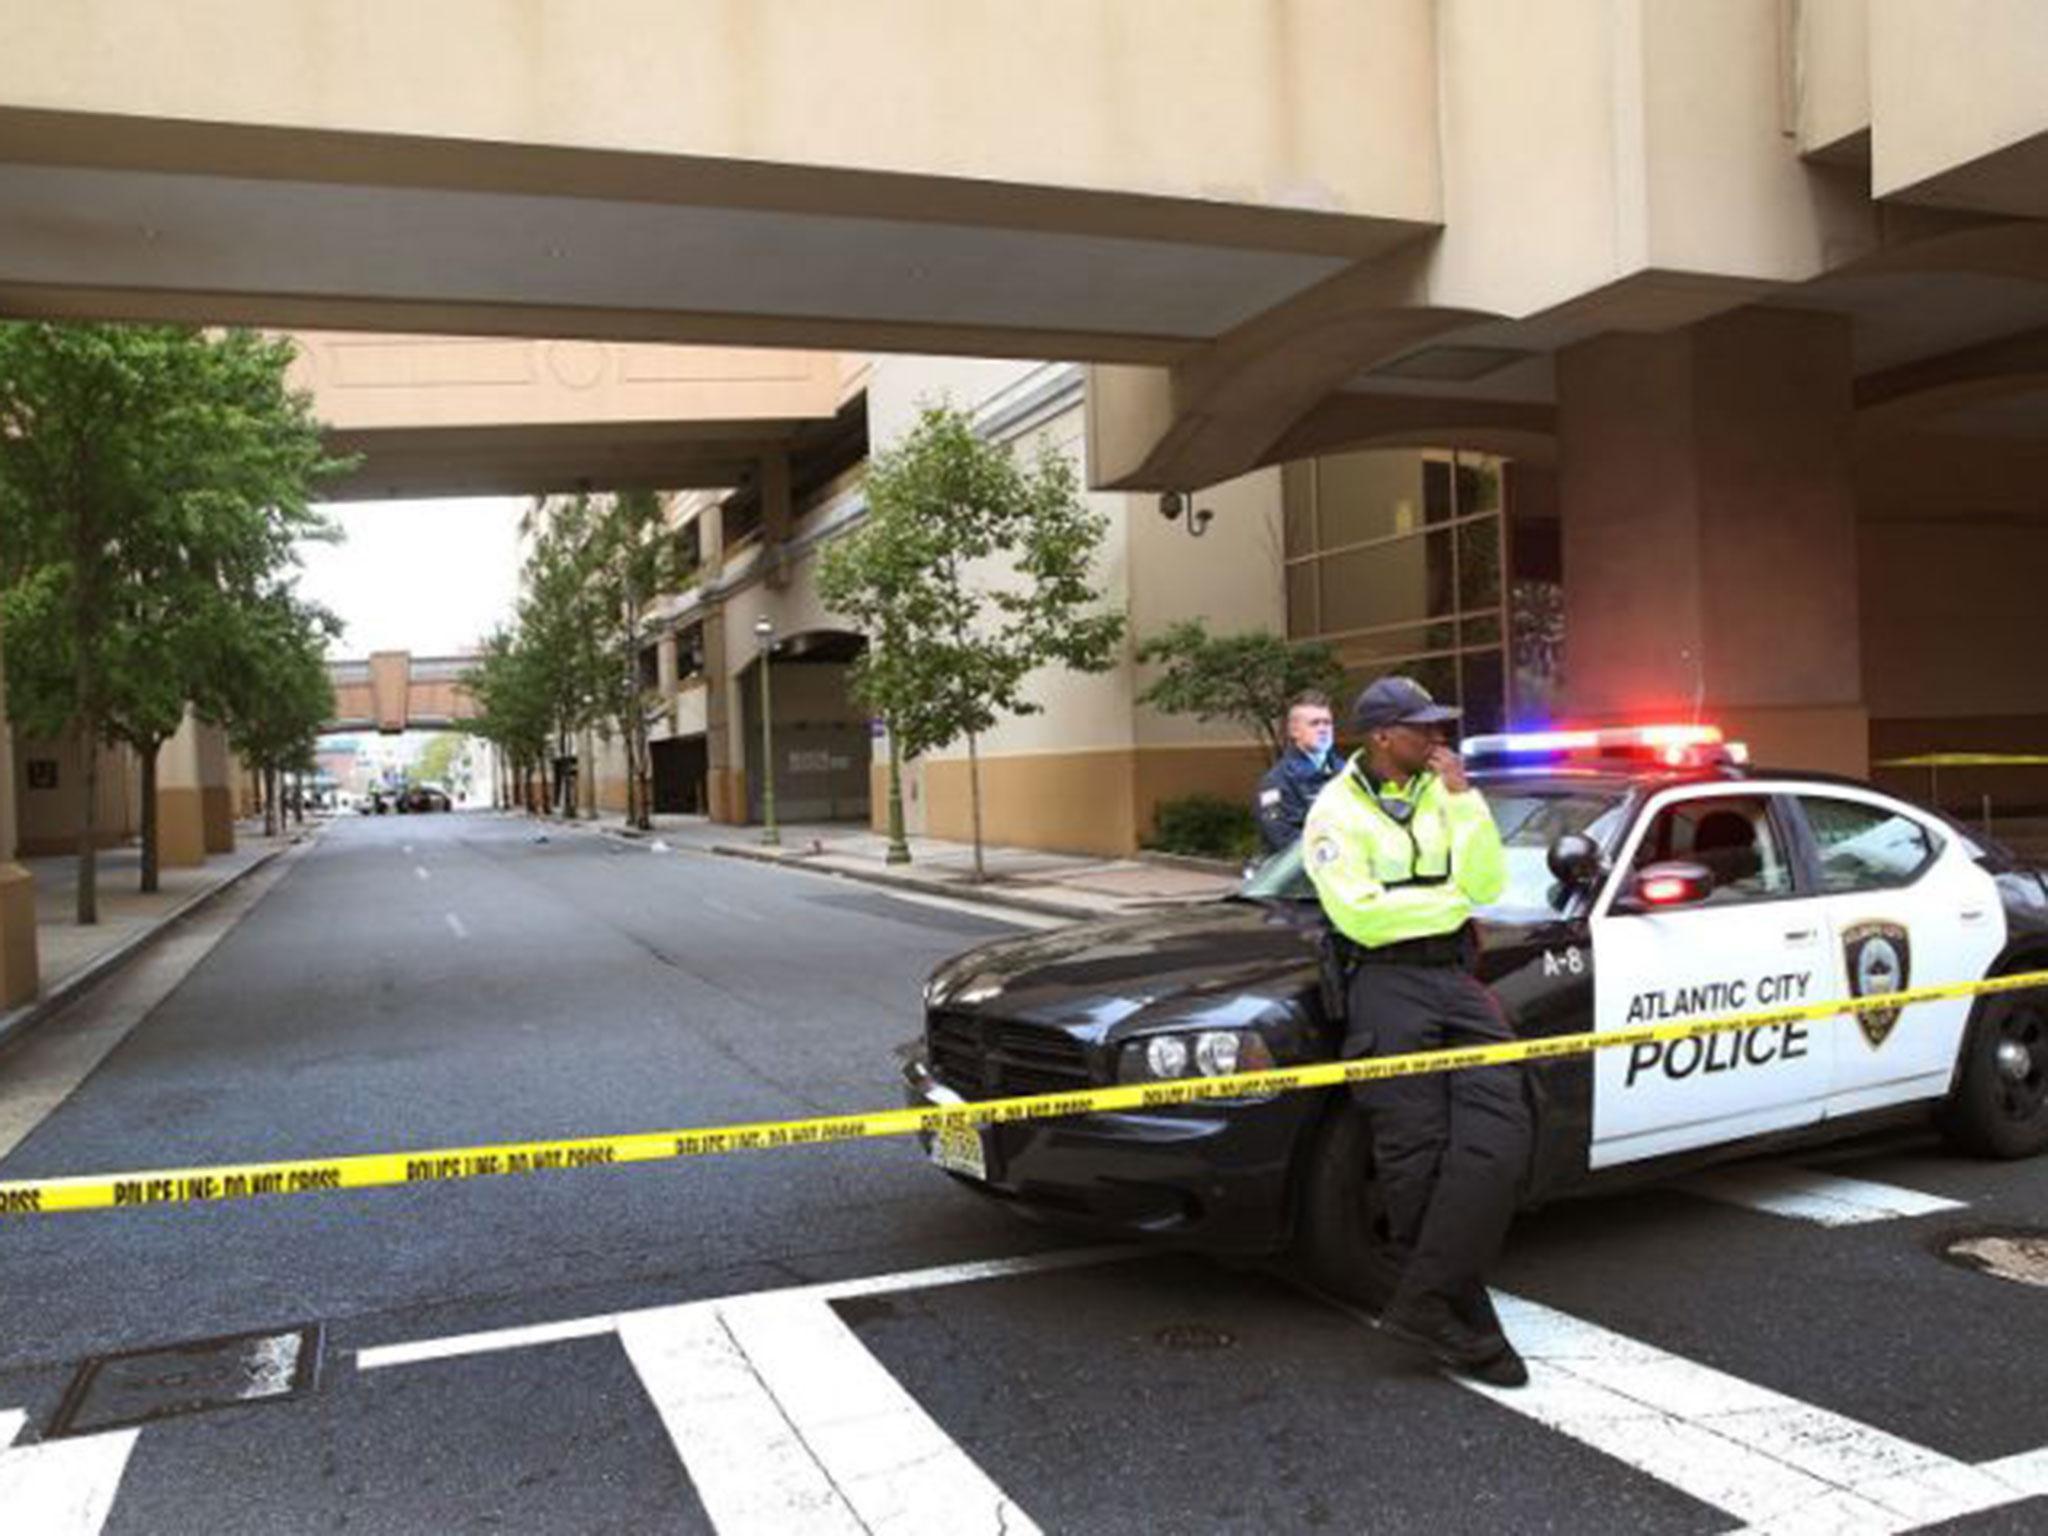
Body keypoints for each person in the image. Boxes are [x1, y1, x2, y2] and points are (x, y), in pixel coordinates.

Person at [1301, 675, 1531, 1388]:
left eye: (1439, 727)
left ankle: (1424, 1300)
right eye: (1423, 729)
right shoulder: (1332, 812)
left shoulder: (1448, 793)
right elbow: (1361, 915)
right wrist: (1447, 903)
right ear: (1381, 738)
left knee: (1505, 1124)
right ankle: (1455, 1318)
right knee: (1414, 1151)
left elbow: (1488, 885)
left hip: (1455, 980)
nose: (1439, 739)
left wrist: (1465, 804)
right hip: (1384, 983)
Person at [1254, 692, 1340, 854]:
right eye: (1314, 724)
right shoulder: (1276, 783)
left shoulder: (1347, 773)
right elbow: (1285, 841)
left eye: (1327, 723)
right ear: (1294, 731)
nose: (1323, 729)